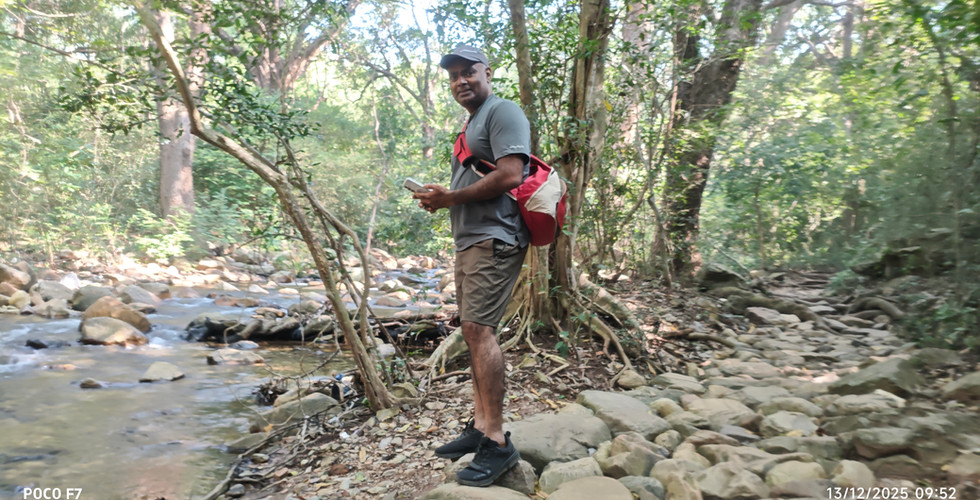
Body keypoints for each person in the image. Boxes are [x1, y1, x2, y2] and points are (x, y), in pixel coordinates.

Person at [413, 43, 529, 487]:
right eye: (454, 75)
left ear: (487, 72)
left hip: (495, 238)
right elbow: (478, 176)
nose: (461, 80)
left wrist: (451, 199)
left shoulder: (503, 112)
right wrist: (442, 198)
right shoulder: (472, 122)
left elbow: (510, 175)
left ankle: (497, 443)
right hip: (470, 240)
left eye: (469, 72)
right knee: (471, 329)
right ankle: (480, 425)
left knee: (481, 332)